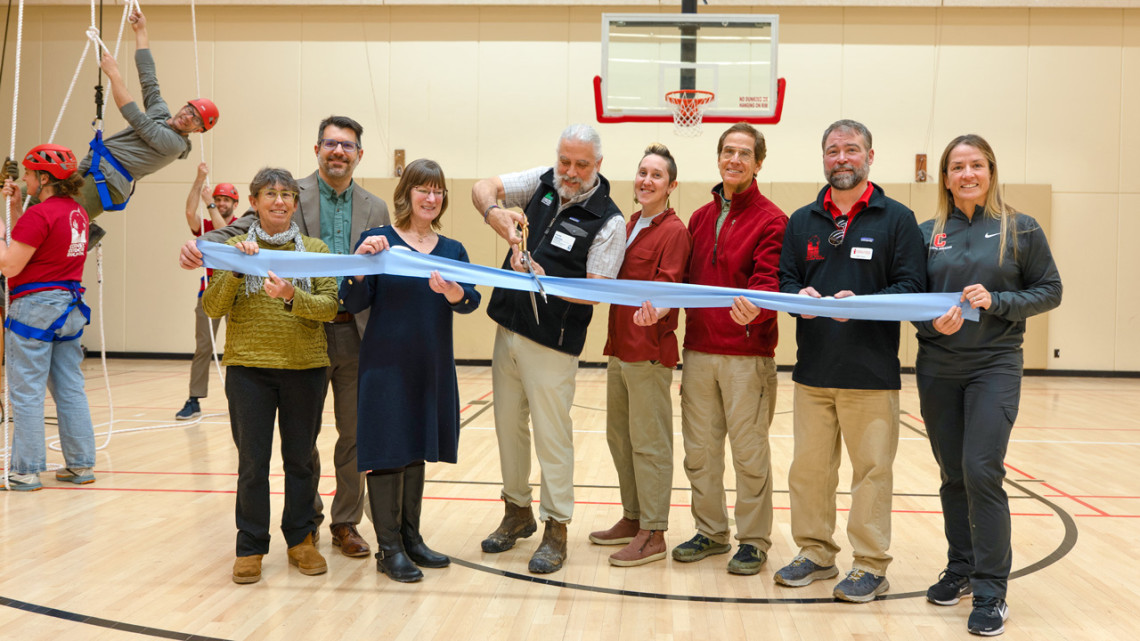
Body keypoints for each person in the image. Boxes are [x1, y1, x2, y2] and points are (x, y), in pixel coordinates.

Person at [181, 115, 390, 559]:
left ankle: (346, 521)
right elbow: (233, 232)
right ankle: (305, 529)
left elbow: (385, 266)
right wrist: (200, 247)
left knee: (352, 435)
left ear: (359, 154)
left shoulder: (376, 207)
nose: (339, 151)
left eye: (347, 145)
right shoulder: (285, 192)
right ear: (317, 149)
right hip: (296, 335)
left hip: (354, 331)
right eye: (331, 143)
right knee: (300, 447)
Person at [916, 135, 1062, 636]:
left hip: (994, 367)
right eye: (957, 166)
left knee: (981, 469)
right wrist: (931, 325)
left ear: (991, 171)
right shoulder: (927, 232)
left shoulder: (1020, 228)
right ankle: (960, 568)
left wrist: (998, 300)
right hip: (937, 367)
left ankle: (991, 590)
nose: (967, 174)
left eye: (976, 164)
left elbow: (1050, 290)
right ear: (945, 177)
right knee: (952, 472)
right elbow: (912, 300)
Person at [775, 119, 925, 602]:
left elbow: (912, 288)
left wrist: (857, 303)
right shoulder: (802, 221)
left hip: (872, 373)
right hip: (813, 371)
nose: (842, 158)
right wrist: (802, 295)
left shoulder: (897, 219)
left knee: (872, 473)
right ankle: (815, 552)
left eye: (851, 150)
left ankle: (870, 564)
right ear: (823, 158)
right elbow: (783, 282)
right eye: (833, 150)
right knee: (809, 471)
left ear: (870, 157)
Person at [471, 124, 625, 574]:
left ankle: (556, 527)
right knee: (507, 427)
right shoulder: (542, 181)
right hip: (508, 329)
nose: (570, 171)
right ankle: (516, 512)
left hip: (553, 344)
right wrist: (494, 214)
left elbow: (597, 290)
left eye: (581, 164)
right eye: (565, 161)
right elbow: (484, 188)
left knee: (552, 438)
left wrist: (542, 275)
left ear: (598, 166)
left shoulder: (608, 219)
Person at [341, 159, 481, 582]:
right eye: (423, 189)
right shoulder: (378, 240)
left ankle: (411, 539)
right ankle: (388, 549)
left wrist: (454, 291)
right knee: (388, 449)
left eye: (437, 190)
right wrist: (360, 263)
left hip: (430, 365)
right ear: (407, 194)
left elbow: (470, 301)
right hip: (385, 367)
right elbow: (352, 302)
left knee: (417, 446)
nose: (431, 197)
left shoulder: (453, 250)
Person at [201, 167, 338, 584]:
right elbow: (212, 307)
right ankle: (251, 547)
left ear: (296, 203)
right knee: (252, 463)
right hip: (248, 371)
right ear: (255, 202)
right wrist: (239, 270)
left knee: (300, 461)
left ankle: (301, 540)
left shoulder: (315, 249)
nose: (279, 201)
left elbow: (330, 307)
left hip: (305, 370)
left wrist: (292, 295)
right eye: (270, 194)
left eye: (287, 194)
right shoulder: (234, 249)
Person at [671, 123, 787, 577]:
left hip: (747, 357)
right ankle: (710, 531)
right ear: (719, 158)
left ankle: (754, 540)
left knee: (749, 454)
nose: (734, 159)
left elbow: (768, 281)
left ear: (759, 162)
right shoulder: (698, 218)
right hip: (698, 352)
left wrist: (754, 310)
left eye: (744, 153)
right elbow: (680, 283)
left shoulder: (772, 219)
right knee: (699, 452)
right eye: (727, 151)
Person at [1, 9, 220, 247]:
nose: (188, 117)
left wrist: (114, 75)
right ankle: (22, 250)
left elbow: (135, 117)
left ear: (198, 131)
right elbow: (149, 77)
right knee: (23, 196)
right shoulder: (161, 114)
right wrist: (141, 32)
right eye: (190, 110)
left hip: (109, 182)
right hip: (95, 168)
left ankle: (49, 247)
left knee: (52, 218)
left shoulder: (175, 145)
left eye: (196, 120)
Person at [590, 144, 690, 567]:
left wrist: (659, 311)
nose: (646, 181)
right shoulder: (628, 223)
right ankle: (633, 517)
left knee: (649, 444)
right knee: (620, 438)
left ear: (671, 186)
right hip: (619, 348)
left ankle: (654, 531)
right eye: (642, 172)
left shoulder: (675, 231)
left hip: (649, 354)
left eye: (656, 175)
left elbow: (669, 287)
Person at [0, 144, 96, 491]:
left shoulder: (39, 215)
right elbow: (41, 245)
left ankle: (25, 470)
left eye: (27, 175)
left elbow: (10, 264)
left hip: (35, 308)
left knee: (26, 392)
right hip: (67, 307)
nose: (23, 181)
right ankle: (80, 464)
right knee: (69, 388)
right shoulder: (77, 213)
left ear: (44, 178)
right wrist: (13, 208)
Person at [176, 163, 238, 420]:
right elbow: (190, 210)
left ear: (234, 203)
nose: (220, 202)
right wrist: (199, 180)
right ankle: (194, 398)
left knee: (238, 347)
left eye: (225, 199)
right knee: (204, 347)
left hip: (236, 293)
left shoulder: (239, 225)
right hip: (209, 292)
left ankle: (239, 399)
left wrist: (210, 204)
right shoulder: (203, 226)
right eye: (218, 199)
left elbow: (223, 234)